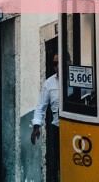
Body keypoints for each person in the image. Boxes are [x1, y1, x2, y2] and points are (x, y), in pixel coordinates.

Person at [32, 54, 60, 182]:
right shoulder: (49, 83)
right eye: (54, 64)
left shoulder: (75, 79)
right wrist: (36, 126)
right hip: (57, 127)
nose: (57, 66)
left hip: (75, 127)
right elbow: (41, 106)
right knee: (57, 161)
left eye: (59, 63)